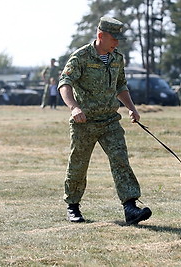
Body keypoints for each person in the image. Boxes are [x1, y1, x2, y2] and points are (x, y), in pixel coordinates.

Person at [57, 16, 152, 225]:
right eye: (114, 39)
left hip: (110, 121)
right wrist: (74, 108)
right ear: (101, 35)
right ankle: (73, 206)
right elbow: (65, 83)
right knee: (78, 165)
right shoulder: (80, 57)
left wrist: (132, 108)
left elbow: (121, 85)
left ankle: (130, 207)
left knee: (121, 160)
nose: (117, 43)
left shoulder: (117, 57)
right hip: (85, 122)